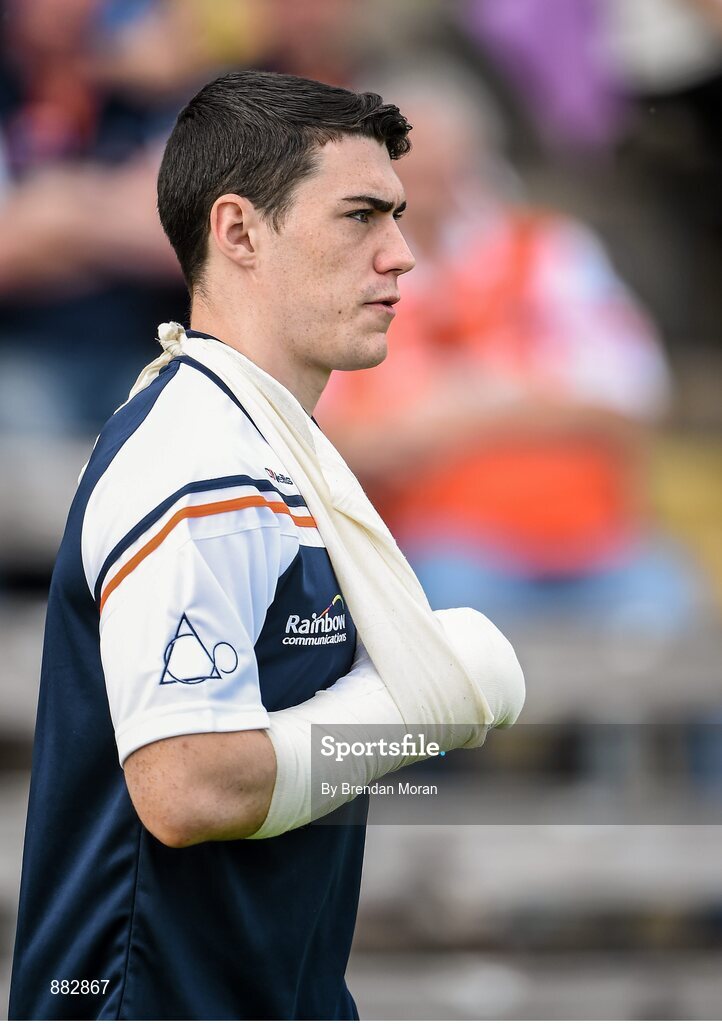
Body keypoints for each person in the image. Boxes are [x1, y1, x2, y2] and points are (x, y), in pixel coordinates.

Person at [9, 70, 524, 1021]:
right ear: (238, 230)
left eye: (400, 217)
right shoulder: (202, 463)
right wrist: (413, 708)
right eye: (360, 217)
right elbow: (189, 785)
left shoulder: (261, 446)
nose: (403, 255)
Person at [317, 71, 695, 632]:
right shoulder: (341, 280)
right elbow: (334, 444)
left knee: (674, 618)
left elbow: (639, 393)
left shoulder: (545, 248)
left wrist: (465, 411)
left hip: (595, 536)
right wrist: (531, 399)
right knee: (453, 614)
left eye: (448, 168)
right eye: (410, 172)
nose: (430, 188)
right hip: (445, 543)